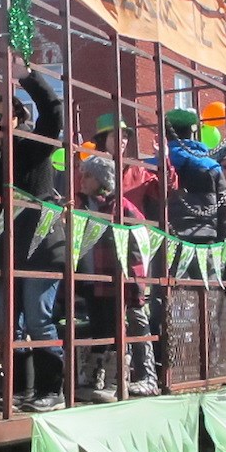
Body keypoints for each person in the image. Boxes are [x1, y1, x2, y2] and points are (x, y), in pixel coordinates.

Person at [0, 58, 66, 413]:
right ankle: (20, 389)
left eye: (6, 115)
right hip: (3, 251)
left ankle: (50, 390)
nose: (0, 122)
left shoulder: (34, 146)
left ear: (19, 119)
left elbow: (54, 111)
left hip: (39, 246)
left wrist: (25, 76)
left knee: (39, 318)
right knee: (6, 324)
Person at [75, 155, 155, 402]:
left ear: (100, 180)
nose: (82, 180)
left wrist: (134, 282)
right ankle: (93, 379)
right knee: (99, 328)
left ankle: (114, 380)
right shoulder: (79, 205)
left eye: (88, 175)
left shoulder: (123, 208)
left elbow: (139, 246)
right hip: (90, 280)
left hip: (113, 280)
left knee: (114, 329)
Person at [164, 107, 226, 246]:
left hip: (163, 236)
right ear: (193, 131)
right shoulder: (211, 166)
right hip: (204, 236)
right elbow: (223, 206)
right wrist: (222, 240)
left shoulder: (152, 164)